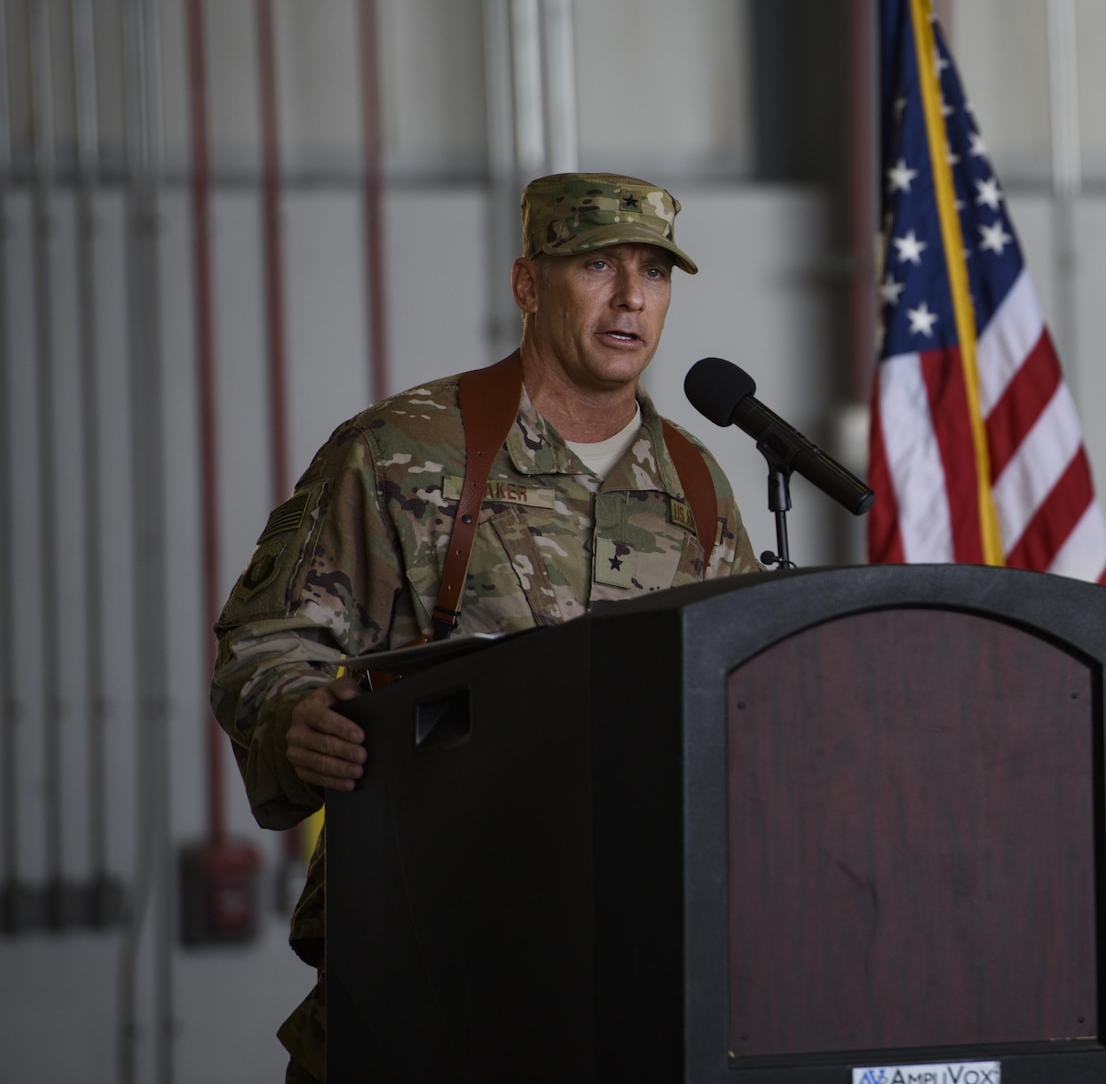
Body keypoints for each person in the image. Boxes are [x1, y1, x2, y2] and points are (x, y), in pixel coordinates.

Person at [210, 173, 762, 1082]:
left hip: (636, 977)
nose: (632, 298)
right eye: (598, 265)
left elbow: (738, 698)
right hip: (427, 959)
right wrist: (296, 713)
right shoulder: (405, 449)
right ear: (527, 284)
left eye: (655, 274)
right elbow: (267, 640)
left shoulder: (696, 484)